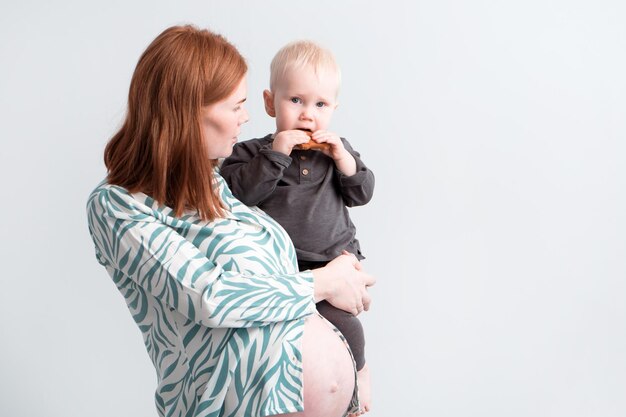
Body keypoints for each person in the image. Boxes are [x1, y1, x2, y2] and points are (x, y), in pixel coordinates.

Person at [86, 25, 375, 417]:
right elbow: (212, 297)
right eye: (236, 105)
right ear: (187, 111)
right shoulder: (117, 206)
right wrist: (325, 282)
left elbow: (279, 283)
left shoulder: (218, 183)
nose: (248, 117)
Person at [220, 40, 375, 415]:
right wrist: (277, 154)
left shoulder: (338, 152)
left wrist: (344, 160)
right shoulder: (251, 153)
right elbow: (239, 195)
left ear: (333, 109)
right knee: (294, 344)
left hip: (333, 260)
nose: (308, 115)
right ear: (270, 103)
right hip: (284, 272)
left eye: (320, 105)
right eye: (296, 101)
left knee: (347, 328)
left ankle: (360, 376)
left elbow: (363, 193)